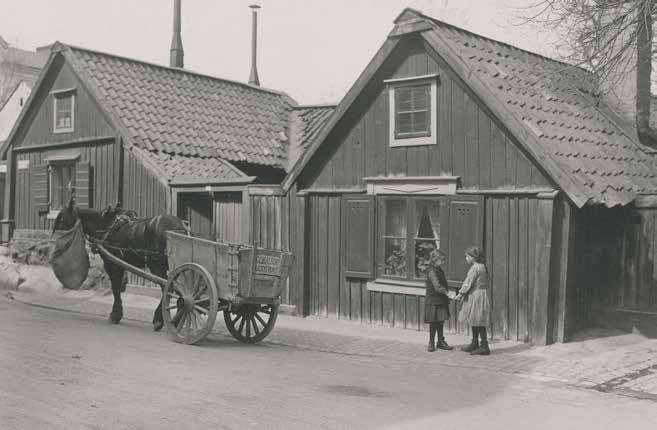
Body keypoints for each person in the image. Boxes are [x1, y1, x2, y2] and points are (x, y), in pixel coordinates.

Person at [455, 246, 491, 355]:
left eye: (467, 256)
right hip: (480, 295)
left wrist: (460, 294)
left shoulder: (475, 268)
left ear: (473, 257)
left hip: (476, 296)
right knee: (476, 320)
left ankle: (484, 346)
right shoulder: (482, 266)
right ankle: (475, 343)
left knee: (478, 321)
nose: (466, 258)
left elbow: (468, 282)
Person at [424, 249, 453, 352]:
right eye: (442, 260)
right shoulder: (431, 271)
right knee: (433, 322)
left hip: (441, 300)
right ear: (435, 260)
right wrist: (447, 292)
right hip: (433, 300)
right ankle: (431, 342)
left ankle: (440, 341)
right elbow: (437, 286)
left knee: (440, 321)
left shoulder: (439, 269)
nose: (443, 262)